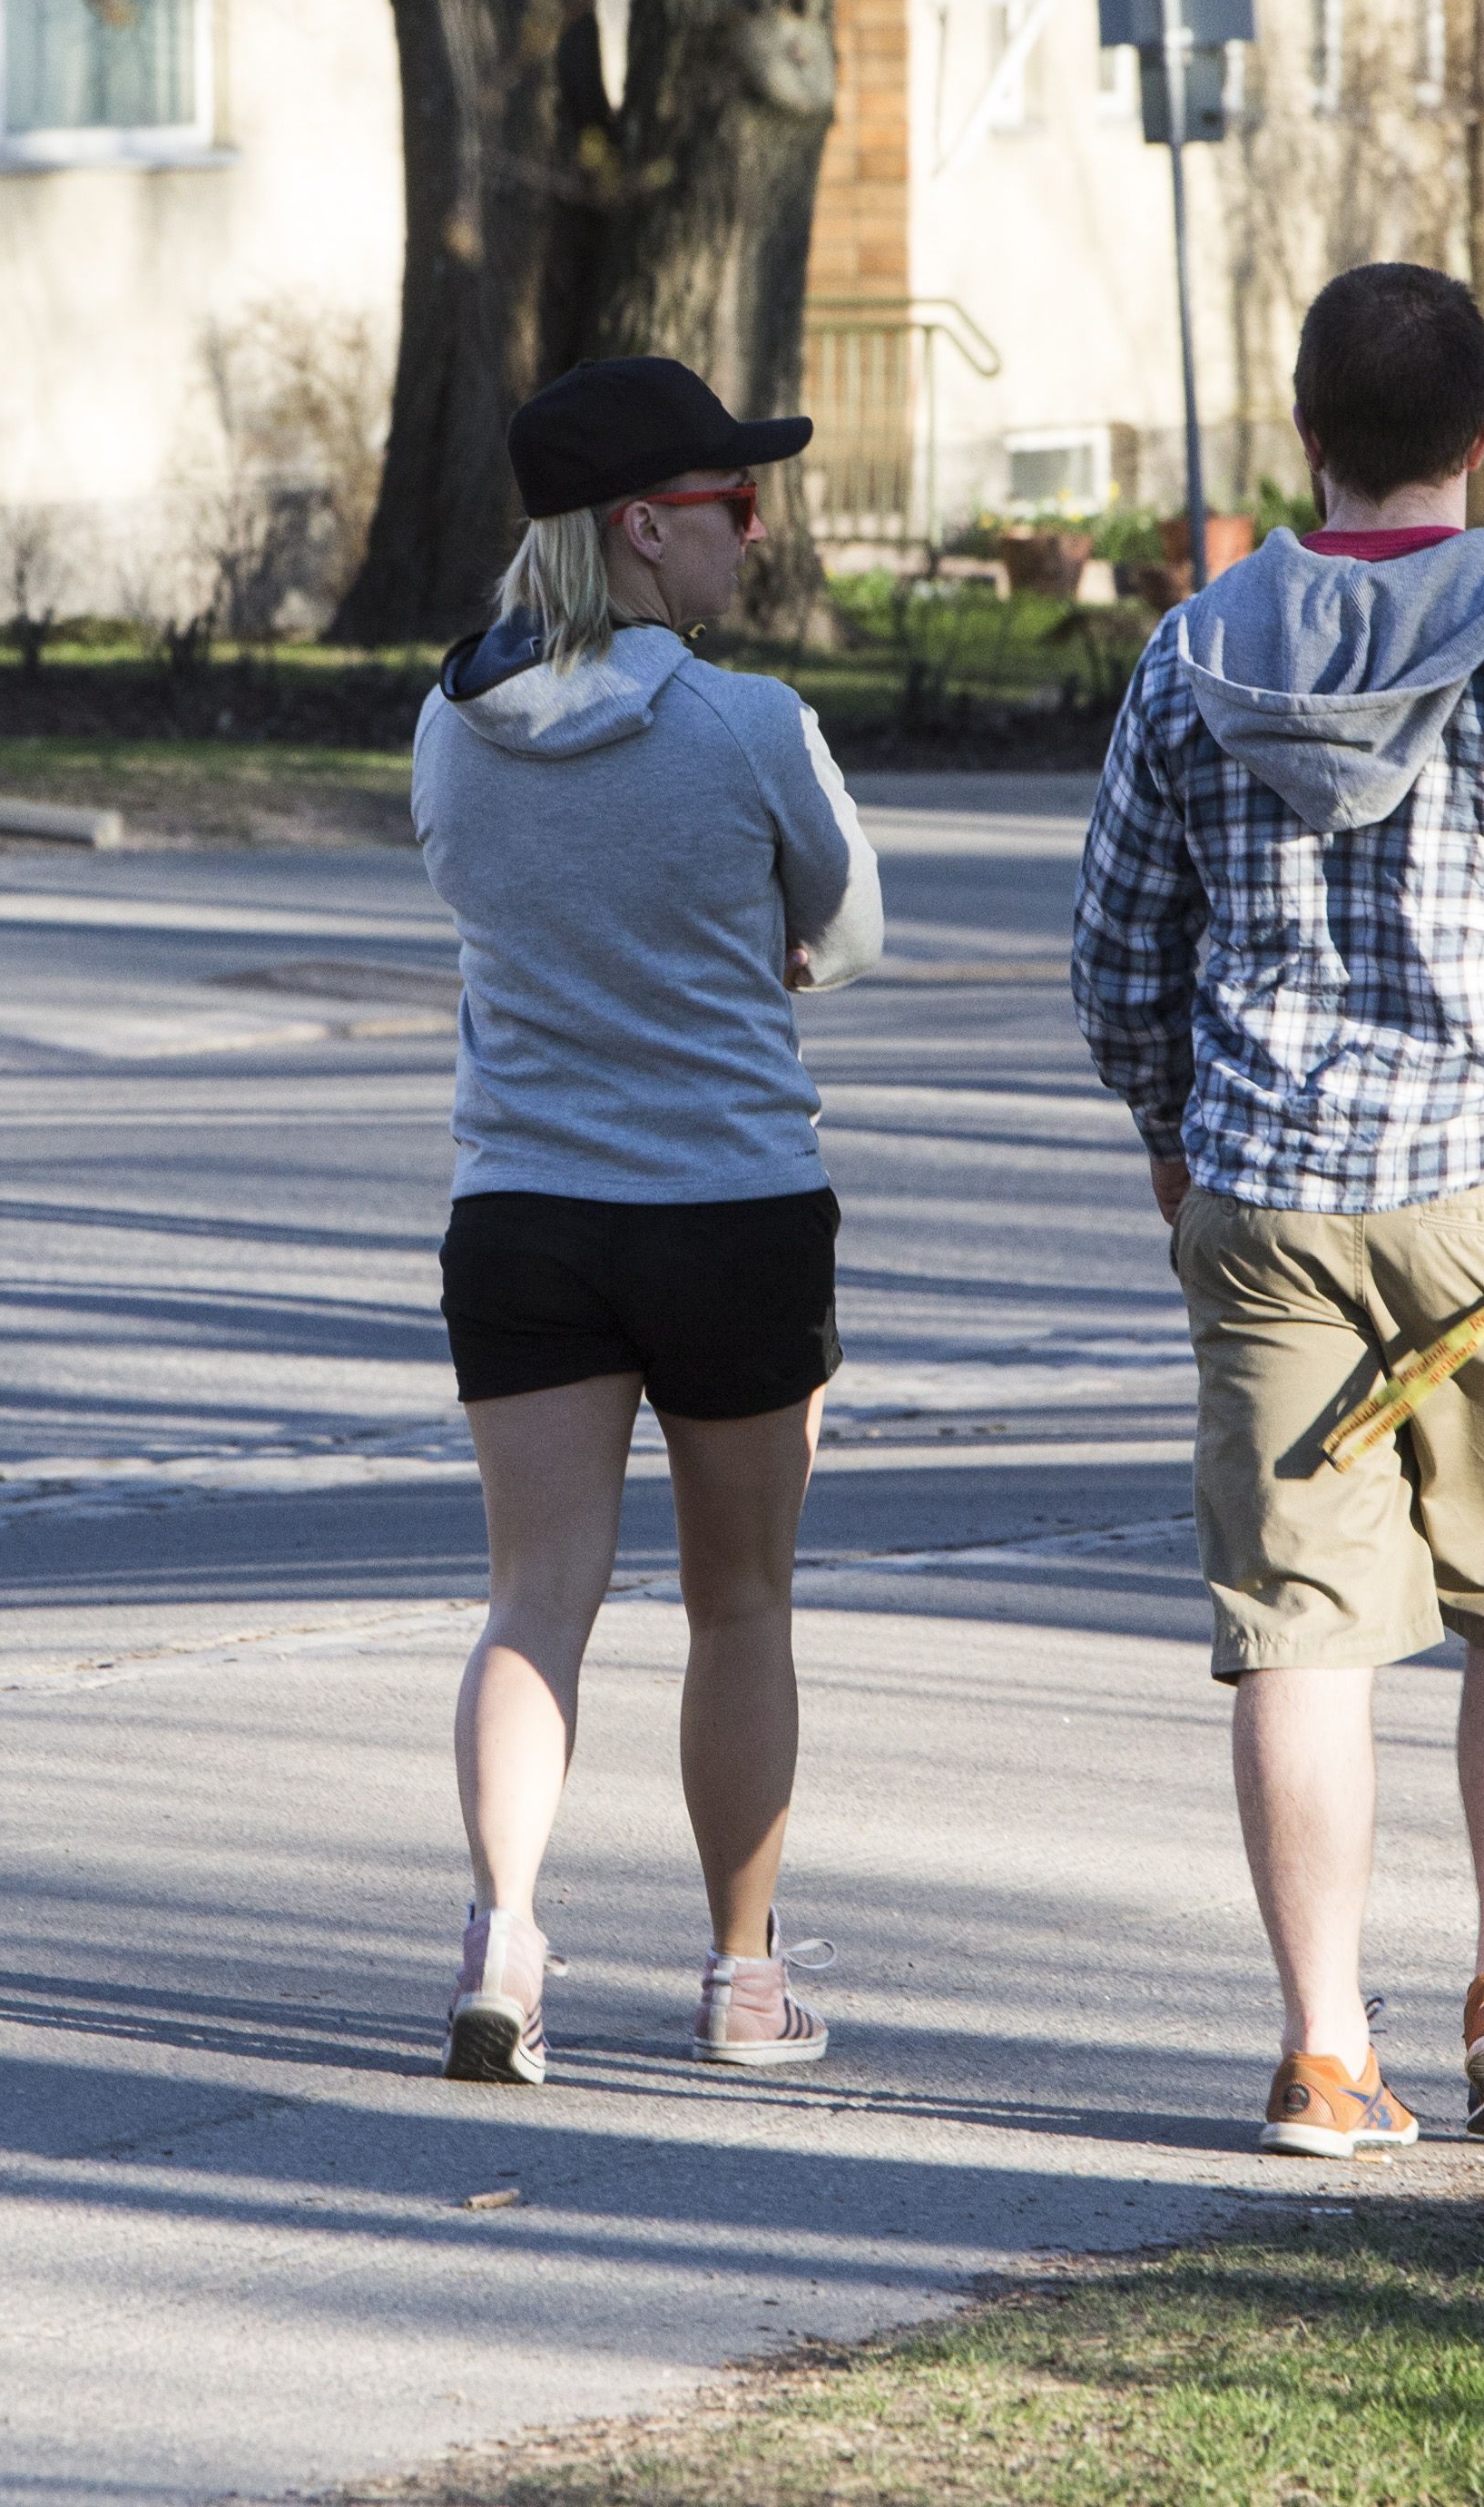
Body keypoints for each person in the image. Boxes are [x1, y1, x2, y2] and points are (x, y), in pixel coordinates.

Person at [1076, 262, 1484, 2158]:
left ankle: (1319, 2047)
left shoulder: (1192, 653)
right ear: (1482, 433)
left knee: (1298, 1630)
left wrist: (1172, 1130)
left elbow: (1115, 952)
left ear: (1302, 434)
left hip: (1268, 1200)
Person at [414, 355, 884, 2083]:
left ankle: (503, 1942)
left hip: (520, 1212)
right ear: (638, 527)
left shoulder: (446, 721)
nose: (753, 533)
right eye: (730, 505)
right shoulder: (747, 725)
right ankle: (743, 1982)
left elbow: (477, 897)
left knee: (531, 1597)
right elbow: (848, 935)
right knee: (738, 1602)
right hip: (729, 1211)